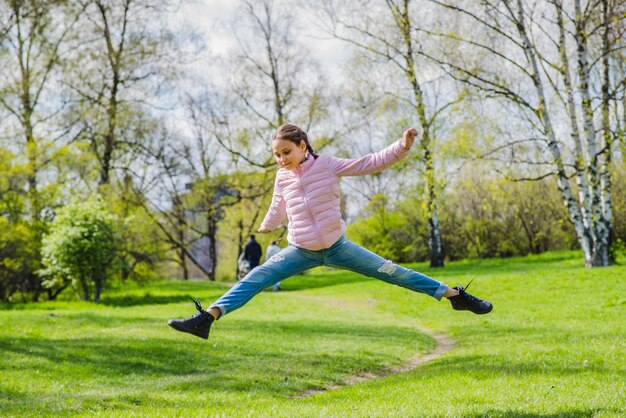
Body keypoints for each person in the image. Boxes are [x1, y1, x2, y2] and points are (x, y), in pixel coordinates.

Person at [168, 124, 493, 340]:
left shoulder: (328, 165)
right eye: (277, 155)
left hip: (338, 247)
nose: (281, 159)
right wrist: (268, 223)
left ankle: (455, 296)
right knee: (254, 279)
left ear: (302, 145)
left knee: (394, 272)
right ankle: (207, 319)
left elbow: (370, 163)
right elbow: (277, 206)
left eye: (286, 152)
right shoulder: (282, 178)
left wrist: (402, 146)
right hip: (300, 249)